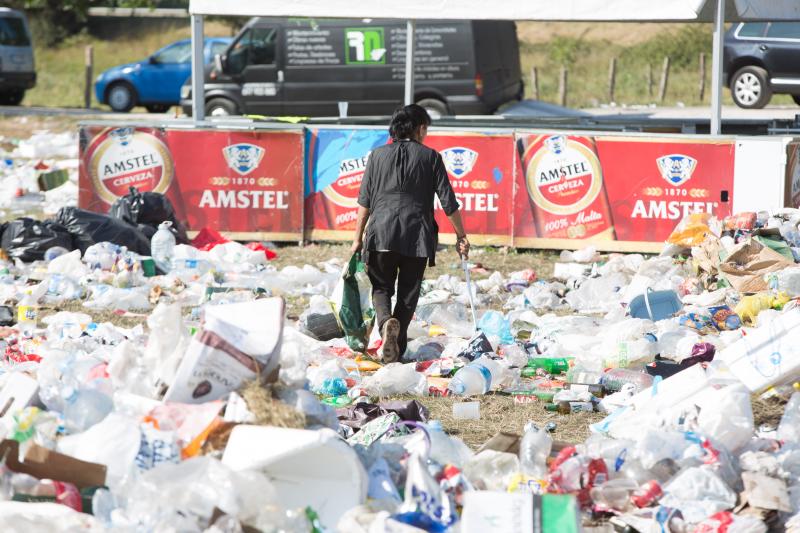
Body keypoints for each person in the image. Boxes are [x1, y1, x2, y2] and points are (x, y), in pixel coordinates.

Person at [351, 104, 469, 362]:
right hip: (417, 235)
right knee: (408, 292)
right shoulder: (431, 157)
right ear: (419, 128)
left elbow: (364, 202)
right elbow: (449, 202)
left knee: (381, 288)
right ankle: (397, 348)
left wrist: (357, 239)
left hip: (380, 233)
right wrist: (461, 235)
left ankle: (385, 326)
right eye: (425, 127)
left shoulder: (377, 155)